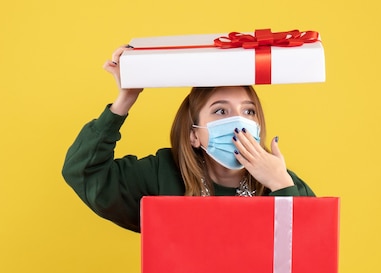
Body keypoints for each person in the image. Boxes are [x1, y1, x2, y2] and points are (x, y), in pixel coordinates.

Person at [62, 45, 315, 233]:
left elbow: (312, 248)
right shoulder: (163, 174)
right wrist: (125, 99)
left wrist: (281, 184)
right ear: (194, 135)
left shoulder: (283, 181)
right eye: (221, 111)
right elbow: (84, 172)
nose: (239, 122)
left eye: (248, 111)